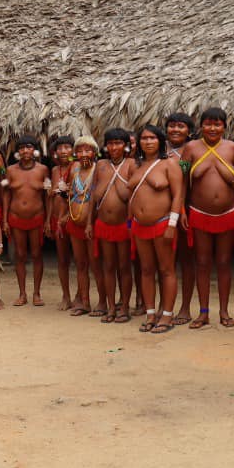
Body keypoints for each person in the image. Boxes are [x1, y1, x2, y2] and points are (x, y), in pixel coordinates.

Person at [178, 108, 234, 328]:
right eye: (208, 124)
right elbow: (182, 178)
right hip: (198, 213)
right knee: (202, 263)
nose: (213, 128)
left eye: (217, 124)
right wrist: (180, 209)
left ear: (224, 127)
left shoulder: (233, 148)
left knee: (224, 263)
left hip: (227, 213)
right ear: (201, 127)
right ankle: (203, 312)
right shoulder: (190, 149)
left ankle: (224, 312)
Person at [120, 126, 184, 334]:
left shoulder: (169, 165)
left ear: (160, 141)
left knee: (166, 270)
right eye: (144, 138)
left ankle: (167, 315)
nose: (148, 142)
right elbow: (131, 198)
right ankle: (150, 313)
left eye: (152, 138)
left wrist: (172, 225)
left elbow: (177, 196)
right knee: (146, 270)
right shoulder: (136, 166)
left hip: (163, 223)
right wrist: (130, 224)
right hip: (140, 225)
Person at [91, 129, 135, 323]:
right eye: (110, 143)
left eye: (118, 143)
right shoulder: (100, 165)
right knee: (108, 266)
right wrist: (89, 223)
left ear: (125, 146)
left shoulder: (132, 165)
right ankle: (110, 307)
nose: (114, 147)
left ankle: (124, 307)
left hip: (123, 225)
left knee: (124, 267)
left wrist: (117, 178)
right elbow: (94, 197)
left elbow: (130, 196)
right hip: (103, 224)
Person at [3, 137, 48, 307]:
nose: (25, 151)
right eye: (21, 148)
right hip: (16, 217)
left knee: (37, 255)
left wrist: (48, 220)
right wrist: (5, 220)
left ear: (35, 151)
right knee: (20, 255)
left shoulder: (43, 170)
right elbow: (6, 194)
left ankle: (37, 293)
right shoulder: (10, 171)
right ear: (17, 152)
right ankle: (22, 294)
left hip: (37, 217)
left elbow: (47, 195)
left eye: (29, 147)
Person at [164, 112, 198, 326]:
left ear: (189, 131)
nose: (176, 130)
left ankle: (184, 308)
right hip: (159, 213)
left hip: (185, 212)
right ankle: (163, 307)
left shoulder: (194, 150)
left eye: (181, 126)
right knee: (165, 263)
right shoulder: (158, 149)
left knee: (186, 261)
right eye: (172, 126)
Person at [60, 136, 98, 315]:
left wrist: (90, 222)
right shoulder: (73, 170)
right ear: (75, 154)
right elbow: (68, 195)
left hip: (92, 226)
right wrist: (65, 215)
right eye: (80, 151)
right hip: (75, 224)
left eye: (88, 150)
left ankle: (104, 302)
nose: (84, 154)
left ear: (95, 153)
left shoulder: (99, 170)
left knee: (96, 263)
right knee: (81, 264)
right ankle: (84, 302)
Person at [46, 135, 77, 310]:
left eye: (67, 147)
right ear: (55, 152)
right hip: (57, 219)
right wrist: (48, 219)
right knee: (62, 259)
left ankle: (81, 295)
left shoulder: (77, 167)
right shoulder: (54, 170)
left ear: (73, 150)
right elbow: (51, 198)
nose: (64, 151)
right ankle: (66, 296)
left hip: (73, 217)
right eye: (60, 148)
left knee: (81, 260)